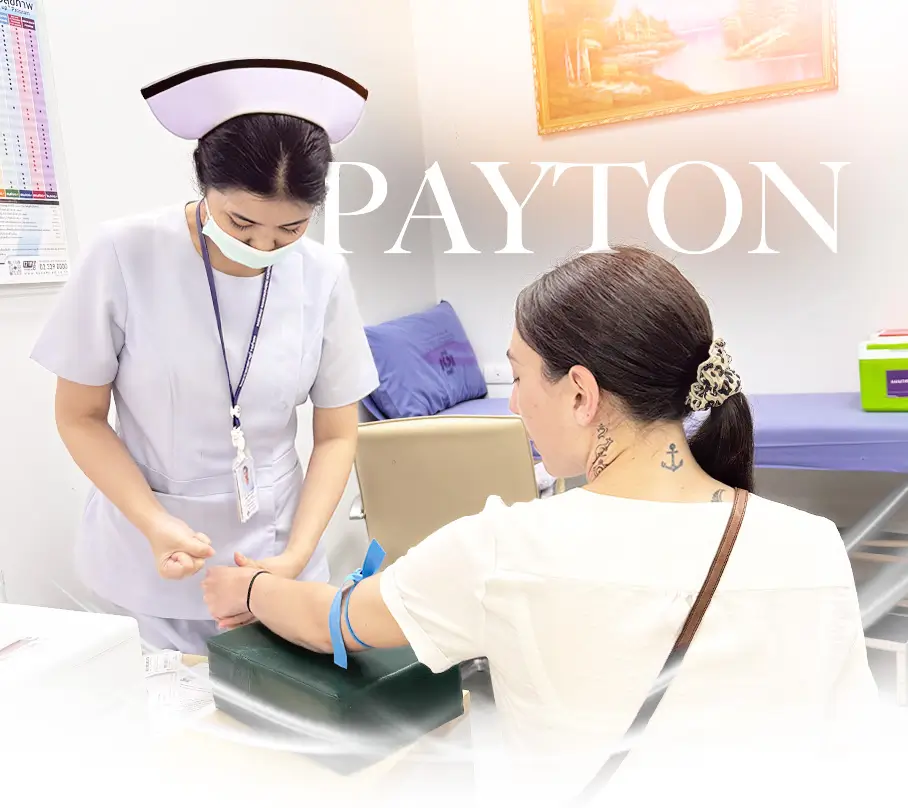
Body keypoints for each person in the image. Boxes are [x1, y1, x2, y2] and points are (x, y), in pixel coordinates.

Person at [201, 247, 878, 801]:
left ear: (581, 394)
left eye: (520, 376)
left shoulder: (501, 551)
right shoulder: (813, 546)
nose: (516, 402)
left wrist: (251, 590)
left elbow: (334, 622)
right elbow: (853, 754)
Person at [30, 59, 380, 655]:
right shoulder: (125, 253)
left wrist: (291, 559)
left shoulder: (323, 274)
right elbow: (79, 416)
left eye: (290, 229)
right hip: (152, 555)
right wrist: (153, 522)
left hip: (278, 555)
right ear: (203, 183)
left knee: (282, 723)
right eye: (242, 223)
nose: (262, 248)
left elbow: (336, 436)